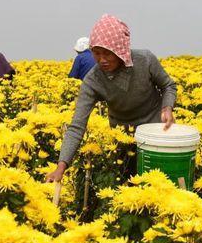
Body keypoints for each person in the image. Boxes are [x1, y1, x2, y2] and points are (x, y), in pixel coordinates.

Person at [47, 14, 177, 184]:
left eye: (108, 53)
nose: (102, 60)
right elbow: (77, 126)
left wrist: (167, 108)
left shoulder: (144, 60)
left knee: (162, 181)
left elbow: (168, 85)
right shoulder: (93, 80)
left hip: (155, 128)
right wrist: (61, 166)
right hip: (122, 135)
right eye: (97, 53)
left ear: (120, 49)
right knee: (129, 183)